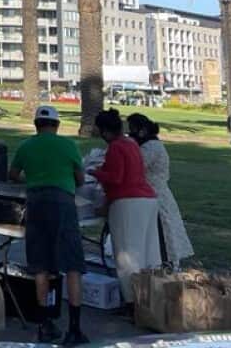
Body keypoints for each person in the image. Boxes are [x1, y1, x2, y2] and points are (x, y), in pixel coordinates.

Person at [10, 105, 89, 345]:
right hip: (63, 203)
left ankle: (45, 324)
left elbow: (13, 174)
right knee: (73, 264)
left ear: (36, 125)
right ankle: (74, 328)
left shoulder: (26, 146)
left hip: (35, 202)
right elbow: (80, 178)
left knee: (40, 264)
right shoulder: (68, 146)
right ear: (56, 125)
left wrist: (32, 178)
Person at [90, 109, 160, 313]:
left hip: (128, 202)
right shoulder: (131, 144)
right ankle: (152, 297)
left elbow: (115, 178)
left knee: (127, 254)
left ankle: (132, 302)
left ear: (104, 131)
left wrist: (95, 173)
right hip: (147, 199)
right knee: (148, 252)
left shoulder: (115, 147)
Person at [127, 114, 194, 266]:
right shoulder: (150, 145)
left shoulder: (150, 147)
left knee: (162, 233)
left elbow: (135, 165)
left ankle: (165, 264)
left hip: (155, 196)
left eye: (132, 129)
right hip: (152, 194)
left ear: (142, 130)